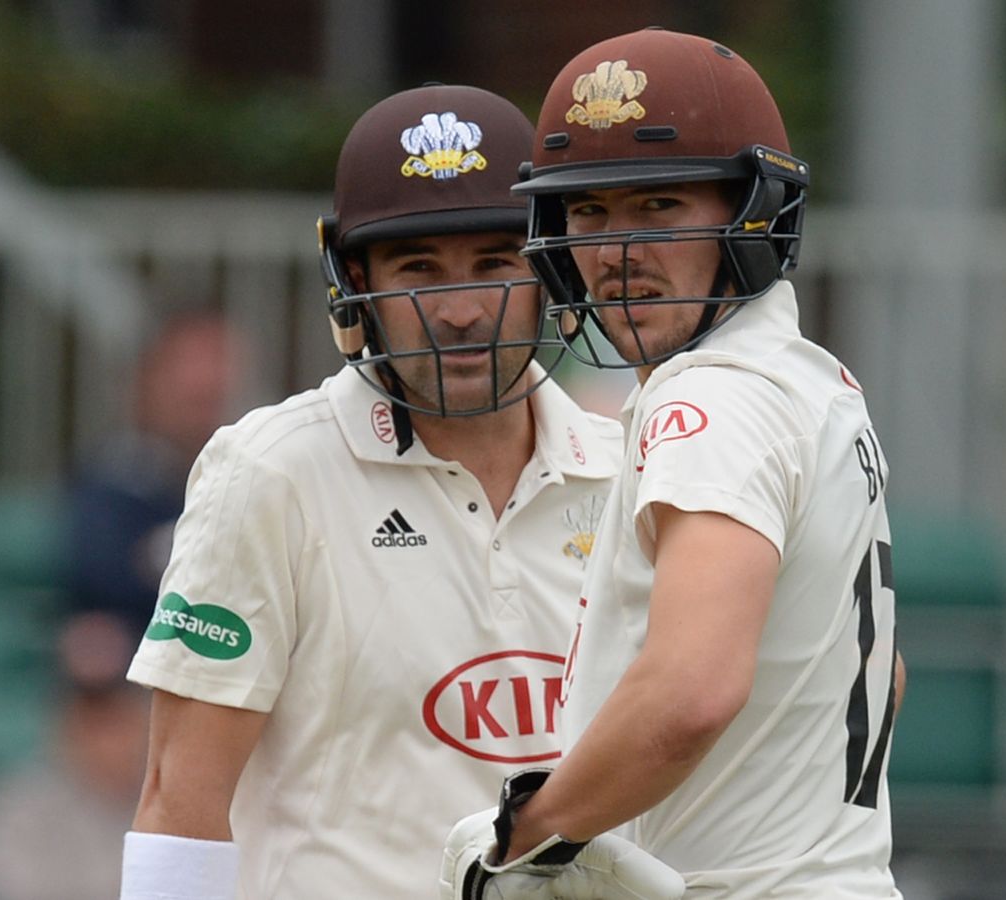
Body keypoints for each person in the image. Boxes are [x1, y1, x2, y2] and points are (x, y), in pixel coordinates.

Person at [119, 83, 672, 899]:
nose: (459, 311)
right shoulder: (269, 473)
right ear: (354, 279)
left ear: (550, 267)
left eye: (494, 264)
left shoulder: (632, 465)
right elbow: (180, 798)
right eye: (419, 267)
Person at [444, 29, 904, 898]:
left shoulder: (713, 400)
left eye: (658, 207)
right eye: (588, 212)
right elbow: (883, 674)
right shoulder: (816, 382)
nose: (617, 253)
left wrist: (524, 841)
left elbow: (690, 691)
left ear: (753, 214)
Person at [67, 310, 244, 636]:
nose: (207, 380)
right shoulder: (112, 480)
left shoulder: (261, 477)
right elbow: (102, 580)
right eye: (191, 362)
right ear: (147, 377)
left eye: (219, 362)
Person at [0, 613, 149, 900]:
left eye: (117, 716)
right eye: (93, 719)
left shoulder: (180, 803)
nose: (109, 740)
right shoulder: (12, 808)